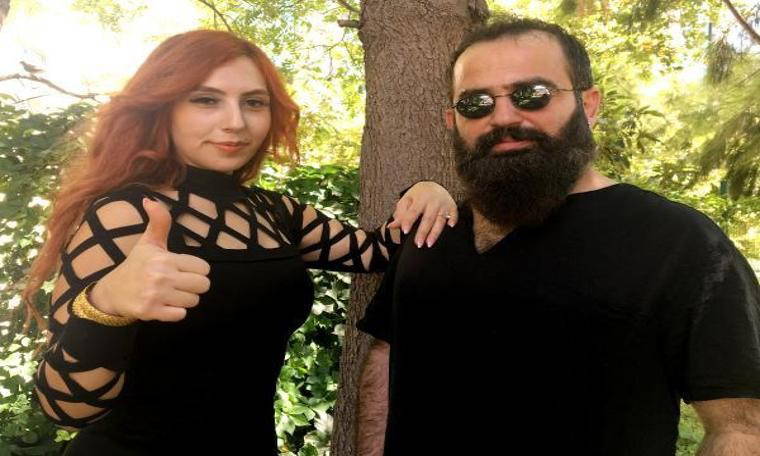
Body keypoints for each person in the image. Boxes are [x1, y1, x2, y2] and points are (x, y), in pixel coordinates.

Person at [23, 29, 458, 455]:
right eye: (206, 100)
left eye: (253, 102)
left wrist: (424, 191)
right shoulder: (126, 212)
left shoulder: (275, 213)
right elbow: (65, 409)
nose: (235, 122)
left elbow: (377, 252)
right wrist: (105, 307)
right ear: (163, 109)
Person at [356, 17, 760, 456]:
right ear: (452, 121)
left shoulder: (679, 242)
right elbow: (386, 355)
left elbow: (741, 429)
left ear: (588, 105)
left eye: (533, 94)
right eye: (476, 103)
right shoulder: (432, 231)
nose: (503, 117)